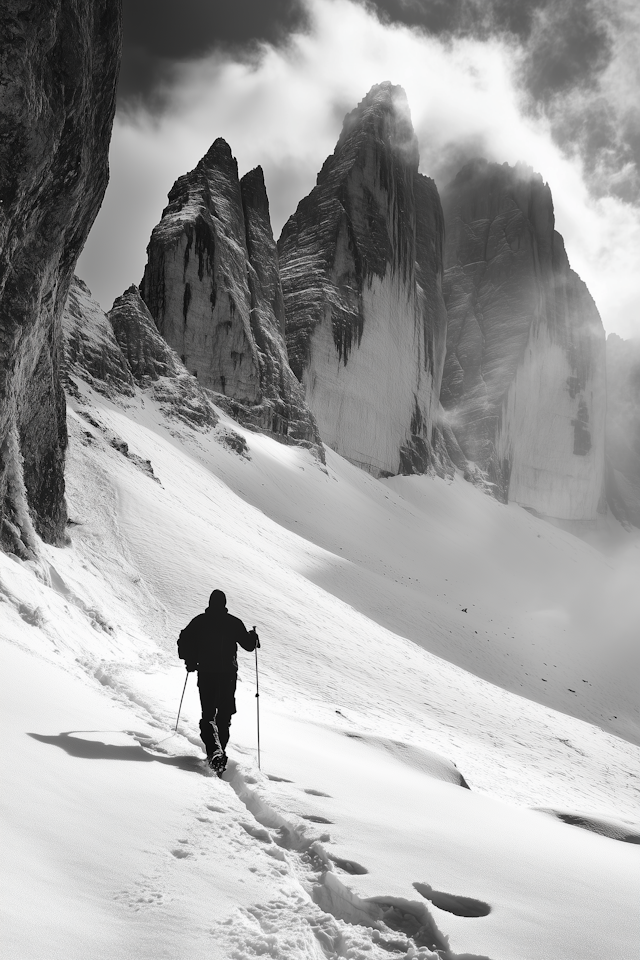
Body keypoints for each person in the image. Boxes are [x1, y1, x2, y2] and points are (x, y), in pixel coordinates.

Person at [177, 589, 259, 772]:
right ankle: (219, 753)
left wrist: (190, 661)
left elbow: (184, 639)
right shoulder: (233, 623)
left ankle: (215, 753)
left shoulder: (200, 621)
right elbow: (248, 645)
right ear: (224, 604)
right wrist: (253, 637)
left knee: (208, 715)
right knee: (224, 716)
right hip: (228, 676)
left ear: (210, 603)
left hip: (206, 674)